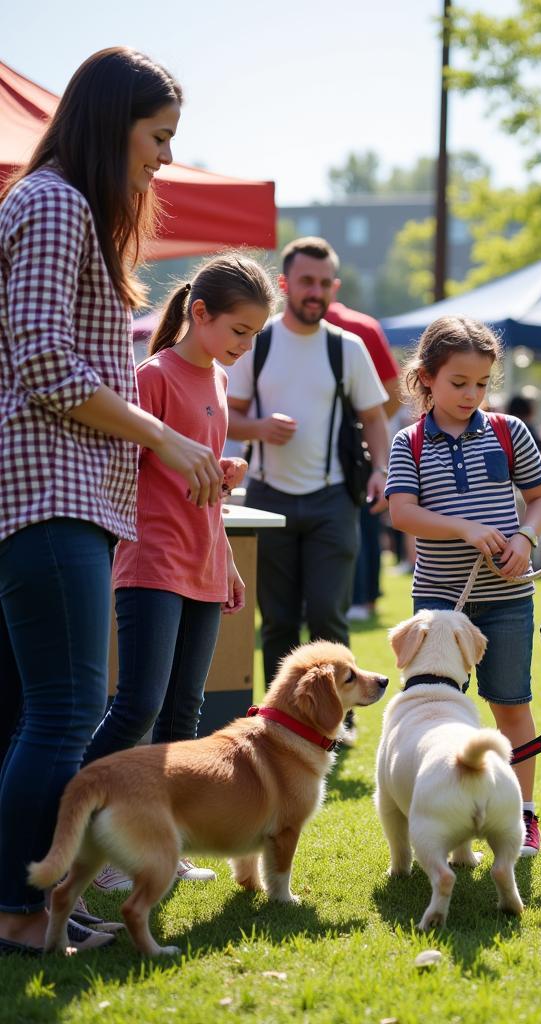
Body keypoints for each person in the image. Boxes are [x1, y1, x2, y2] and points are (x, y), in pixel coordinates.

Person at [0, 47, 224, 955]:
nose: (164, 159)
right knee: (65, 709)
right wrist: (164, 436)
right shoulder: (54, 202)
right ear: (111, 122)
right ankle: (21, 914)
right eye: (158, 137)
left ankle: (22, 904)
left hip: (56, 490)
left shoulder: (54, 202)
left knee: (25, 713)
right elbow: (47, 363)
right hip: (49, 490)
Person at [84, 253, 275, 894]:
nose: (244, 348)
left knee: (183, 713)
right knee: (137, 704)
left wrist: (223, 540)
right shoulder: (152, 375)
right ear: (200, 314)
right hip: (152, 561)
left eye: (254, 337)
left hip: (202, 562)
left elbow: (195, 477)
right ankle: (87, 834)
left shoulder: (218, 383)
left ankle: (158, 840)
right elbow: (123, 466)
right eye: (240, 332)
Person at [386, 316, 541, 857]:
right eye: (459, 382)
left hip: (508, 598)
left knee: (511, 705)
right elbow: (402, 512)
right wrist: (464, 529)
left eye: (482, 383)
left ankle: (522, 814)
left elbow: (540, 499)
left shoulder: (509, 431)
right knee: (438, 714)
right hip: (437, 605)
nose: (471, 394)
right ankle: (444, 809)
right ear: (426, 377)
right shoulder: (408, 443)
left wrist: (525, 539)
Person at [225, 237, 390, 703]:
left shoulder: (348, 347)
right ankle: (281, 716)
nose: (315, 292)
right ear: (285, 284)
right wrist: (258, 426)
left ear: (334, 287)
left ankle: (344, 716)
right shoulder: (259, 341)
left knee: (327, 614)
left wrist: (380, 469)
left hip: (332, 498)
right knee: (276, 619)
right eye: (305, 282)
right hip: (267, 496)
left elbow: (375, 416)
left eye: (324, 283)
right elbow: (227, 412)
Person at [325, 298, 402, 625]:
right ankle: (365, 597)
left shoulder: (361, 328)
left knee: (360, 522)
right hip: (362, 450)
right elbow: (394, 395)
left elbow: (391, 393)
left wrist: (358, 428)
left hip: (353, 451)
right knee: (366, 523)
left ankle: (361, 597)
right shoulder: (366, 325)